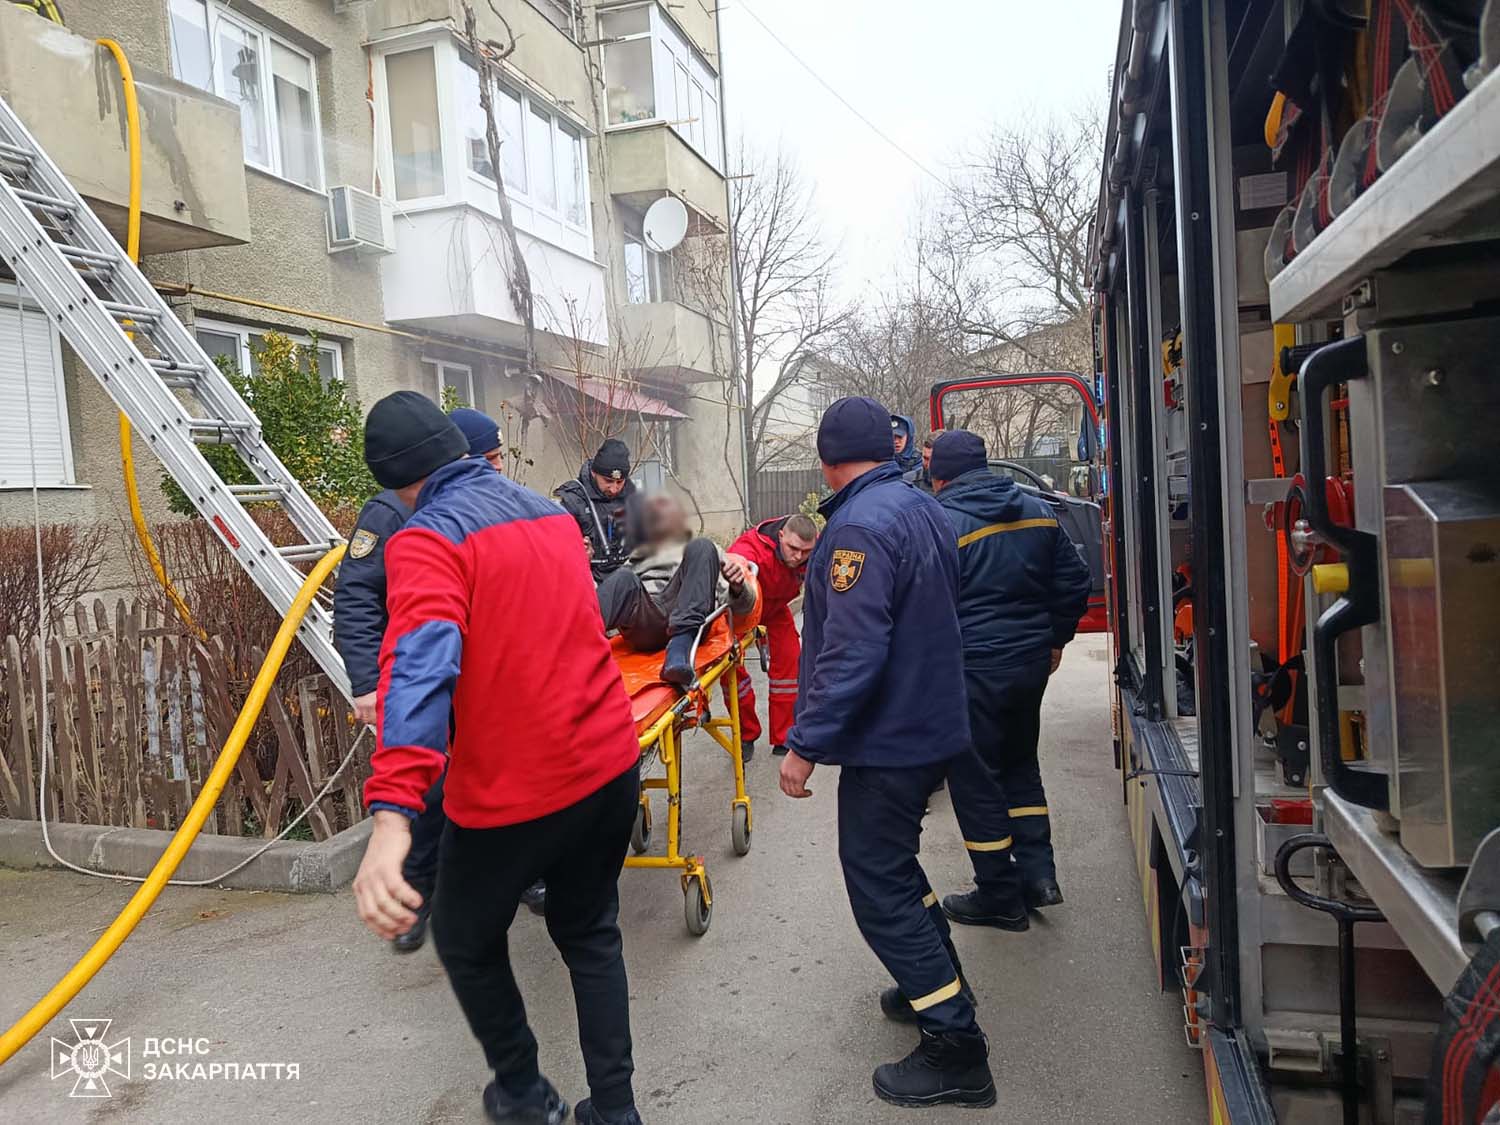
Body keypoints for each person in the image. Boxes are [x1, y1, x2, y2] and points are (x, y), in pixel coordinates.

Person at [352, 391, 644, 1125]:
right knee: (590, 933)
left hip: (522, 786)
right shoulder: (549, 513)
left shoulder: (425, 538)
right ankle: (616, 1110)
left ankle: (522, 1092)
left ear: (395, 481)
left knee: (462, 932)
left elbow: (419, 666)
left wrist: (393, 818)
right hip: (609, 761)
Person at [778, 397, 994, 1110]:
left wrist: (803, 745)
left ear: (827, 459)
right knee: (893, 864)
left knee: (876, 881)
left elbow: (852, 648)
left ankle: (956, 1045)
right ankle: (930, 977)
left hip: (891, 735)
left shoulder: (861, 526)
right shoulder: (919, 504)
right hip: (927, 723)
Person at [335, 405, 520, 953]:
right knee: (430, 792)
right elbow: (357, 597)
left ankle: (524, 873)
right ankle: (412, 896)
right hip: (420, 678)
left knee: (500, 775)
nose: (497, 469)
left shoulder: (475, 504)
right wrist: (368, 684)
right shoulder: (390, 511)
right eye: (489, 458)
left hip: (477, 676)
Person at [929, 430, 1092, 924]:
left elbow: (925, 603)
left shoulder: (940, 521)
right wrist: (1055, 639)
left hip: (972, 668)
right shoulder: (1037, 508)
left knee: (976, 778)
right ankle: (1040, 877)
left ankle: (998, 895)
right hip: (1028, 664)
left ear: (942, 475)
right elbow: (1075, 578)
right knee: (1021, 765)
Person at [596, 494, 756, 685]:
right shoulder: (636, 559)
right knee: (623, 578)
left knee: (702, 546)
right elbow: (618, 601)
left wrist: (738, 588)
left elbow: (742, 608)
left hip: (689, 616)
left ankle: (679, 650)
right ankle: (577, 652)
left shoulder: (705, 552)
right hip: (649, 621)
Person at [725, 513, 818, 762]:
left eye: (805, 551)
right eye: (793, 548)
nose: (798, 557)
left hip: (776, 608)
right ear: (780, 537)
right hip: (742, 610)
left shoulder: (814, 552)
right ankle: (745, 734)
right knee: (730, 670)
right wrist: (735, 568)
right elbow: (736, 561)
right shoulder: (752, 547)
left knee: (790, 661)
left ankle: (784, 735)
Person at [557, 438, 638, 582]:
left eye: (620, 482)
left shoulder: (632, 497)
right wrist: (578, 554)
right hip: (588, 584)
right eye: (608, 481)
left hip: (629, 579)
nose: (614, 489)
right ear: (594, 473)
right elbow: (555, 556)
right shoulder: (571, 501)